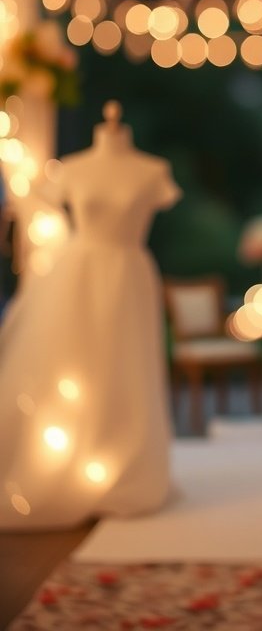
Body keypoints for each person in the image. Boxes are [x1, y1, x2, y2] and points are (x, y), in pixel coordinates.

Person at [0, 101, 181, 529]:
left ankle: (126, 467)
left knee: (127, 369)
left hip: (131, 277)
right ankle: (74, 465)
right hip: (77, 277)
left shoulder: (152, 170)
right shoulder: (72, 169)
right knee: (76, 367)